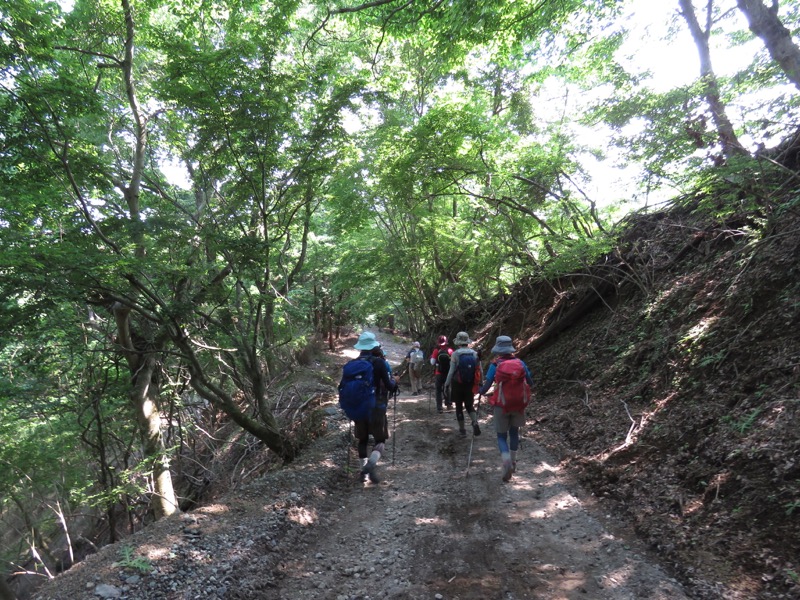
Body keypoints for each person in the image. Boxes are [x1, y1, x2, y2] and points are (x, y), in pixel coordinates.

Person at [345, 331, 398, 484]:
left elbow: (342, 387)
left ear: (360, 347)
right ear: (373, 346)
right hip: (377, 405)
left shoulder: (352, 365)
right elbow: (389, 385)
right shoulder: (379, 362)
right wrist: (395, 383)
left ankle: (363, 473)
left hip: (358, 406)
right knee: (380, 440)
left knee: (362, 439)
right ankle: (371, 464)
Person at [479, 335, 534, 482]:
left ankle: (506, 462)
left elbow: (487, 385)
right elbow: (530, 381)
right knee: (514, 432)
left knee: (501, 436)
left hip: (501, 404)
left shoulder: (495, 365)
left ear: (498, 350)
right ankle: (514, 462)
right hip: (518, 404)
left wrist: (480, 391)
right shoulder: (520, 363)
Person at [444, 331, 481, 437]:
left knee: (459, 406)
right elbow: (479, 370)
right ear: (467, 342)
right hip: (470, 383)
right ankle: (474, 422)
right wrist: (480, 382)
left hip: (457, 384)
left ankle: (462, 430)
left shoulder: (455, 354)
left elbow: (451, 371)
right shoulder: (474, 354)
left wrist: (446, 384)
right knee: (469, 405)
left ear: (458, 342)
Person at [429, 335, 453, 413]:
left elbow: (432, 363)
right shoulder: (450, 350)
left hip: (438, 373)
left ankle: (439, 408)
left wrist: (432, 359)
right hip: (448, 373)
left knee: (438, 390)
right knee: (447, 388)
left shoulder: (436, 350)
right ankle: (449, 405)